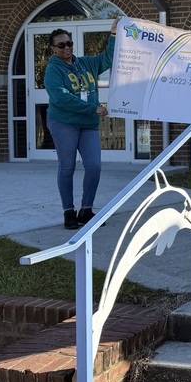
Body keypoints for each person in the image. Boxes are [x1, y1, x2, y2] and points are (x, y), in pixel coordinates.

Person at [43, 19, 119, 230]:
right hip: (63, 122)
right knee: (67, 167)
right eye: (61, 45)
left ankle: (86, 210)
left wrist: (112, 34)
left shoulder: (85, 64)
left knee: (94, 166)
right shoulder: (53, 70)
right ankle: (69, 211)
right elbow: (61, 98)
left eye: (69, 43)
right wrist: (92, 108)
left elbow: (108, 58)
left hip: (87, 124)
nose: (66, 48)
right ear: (53, 48)